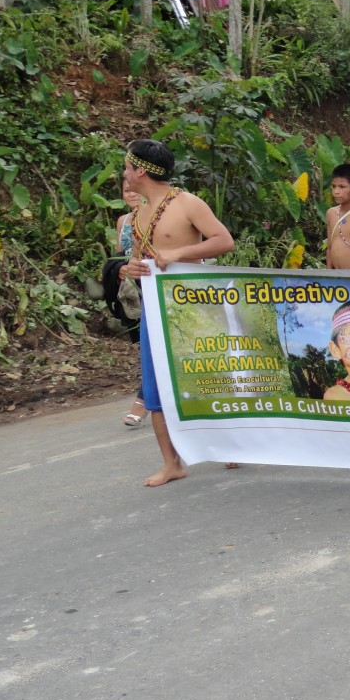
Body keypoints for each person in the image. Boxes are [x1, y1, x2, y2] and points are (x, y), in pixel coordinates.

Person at [121, 139, 236, 487]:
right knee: (155, 385)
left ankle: (232, 444)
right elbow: (138, 257)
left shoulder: (188, 203)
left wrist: (179, 253)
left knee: (209, 376)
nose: (124, 173)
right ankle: (172, 462)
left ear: (140, 170)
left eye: (127, 166)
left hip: (194, 306)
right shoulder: (139, 212)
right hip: (156, 310)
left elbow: (223, 240)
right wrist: (130, 268)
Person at [114, 180, 147, 427]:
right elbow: (118, 255)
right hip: (134, 291)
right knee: (145, 347)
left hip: (155, 284)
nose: (132, 193)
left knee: (152, 347)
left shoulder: (155, 216)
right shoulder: (123, 222)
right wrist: (119, 269)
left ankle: (142, 401)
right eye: (126, 190)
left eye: (135, 188)